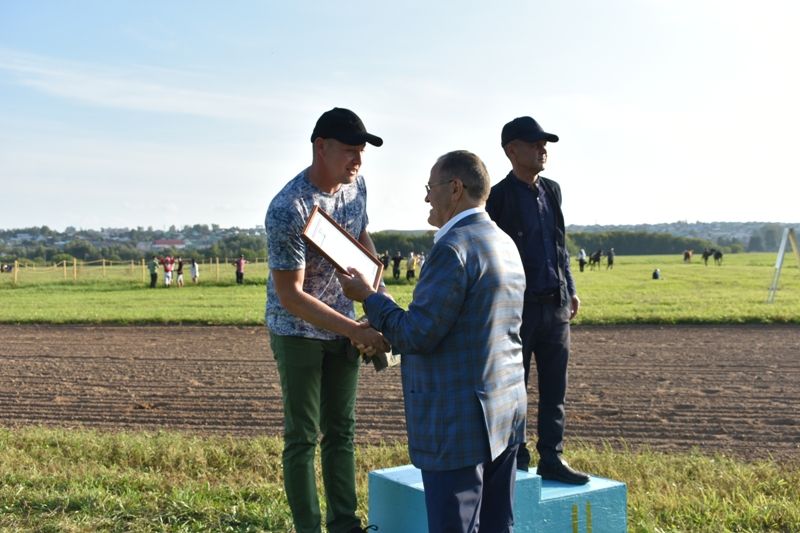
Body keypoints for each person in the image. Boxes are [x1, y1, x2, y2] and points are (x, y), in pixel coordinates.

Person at [339, 150, 527, 533]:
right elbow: (460, 326)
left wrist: (369, 298)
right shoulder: (504, 242)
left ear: (455, 189)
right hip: (504, 413)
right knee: (497, 525)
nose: (426, 197)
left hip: (457, 421)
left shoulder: (451, 248)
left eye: (430, 188)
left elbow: (416, 334)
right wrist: (386, 310)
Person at [265, 107, 388, 533]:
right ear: (321, 146)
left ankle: (345, 524)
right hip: (298, 331)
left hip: (347, 326)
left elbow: (360, 235)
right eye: (350, 151)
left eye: (362, 152)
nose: (358, 161)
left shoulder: (357, 188)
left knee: (342, 432)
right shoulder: (288, 208)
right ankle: (308, 527)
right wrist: (355, 328)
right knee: (302, 437)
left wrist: (376, 289)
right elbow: (290, 295)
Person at [486, 116, 590, 485]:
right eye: (534, 143)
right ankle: (517, 457)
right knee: (515, 387)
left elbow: (559, 245)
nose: (542, 149)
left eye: (544, 143)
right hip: (519, 310)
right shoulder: (496, 197)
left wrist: (570, 287)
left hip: (556, 306)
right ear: (512, 150)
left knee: (554, 387)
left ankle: (552, 457)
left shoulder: (553, 191)